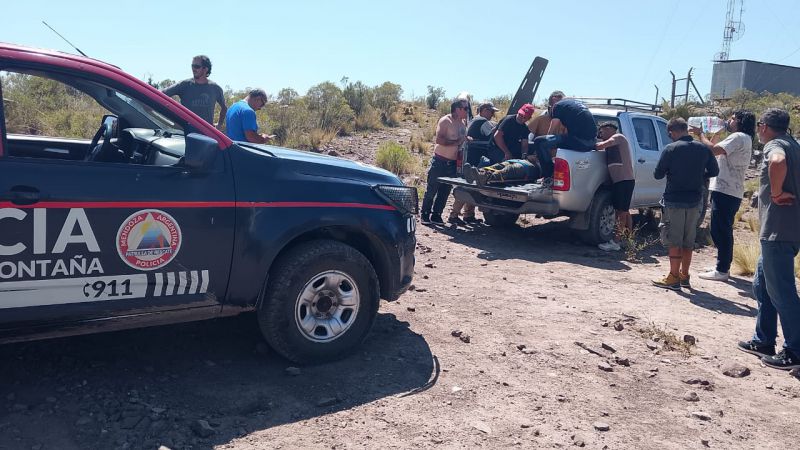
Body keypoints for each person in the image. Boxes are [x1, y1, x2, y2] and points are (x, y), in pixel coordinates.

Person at [737, 108, 800, 370]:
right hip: (786, 229)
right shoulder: (794, 144)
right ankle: (763, 340)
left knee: (782, 292)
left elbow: (776, 162)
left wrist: (775, 193)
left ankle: (795, 351)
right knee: (762, 286)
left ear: (763, 126)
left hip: (778, 231)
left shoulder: (775, 145)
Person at [652, 118, 719, 290]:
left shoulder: (671, 149)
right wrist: (699, 174)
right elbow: (714, 171)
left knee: (674, 239)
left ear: (672, 131)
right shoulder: (703, 148)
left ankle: (673, 277)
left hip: (674, 199)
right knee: (688, 240)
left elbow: (658, 174)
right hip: (695, 200)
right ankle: (684, 275)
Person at [690, 110, 755, 281]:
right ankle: (722, 265)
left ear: (740, 121)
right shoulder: (743, 138)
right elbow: (714, 148)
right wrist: (716, 134)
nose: (729, 120)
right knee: (719, 228)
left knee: (721, 230)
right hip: (729, 190)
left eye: (733, 118)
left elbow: (713, 150)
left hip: (726, 190)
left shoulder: (738, 137)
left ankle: (722, 269)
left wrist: (700, 133)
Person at [448, 102, 500, 225]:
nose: (492, 114)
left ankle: (469, 214)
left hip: (468, 157)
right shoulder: (482, 121)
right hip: (475, 159)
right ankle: (454, 214)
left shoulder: (472, 120)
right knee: (468, 186)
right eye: (491, 111)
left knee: (472, 186)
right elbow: (494, 134)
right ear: (484, 110)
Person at [420, 99, 469, 225]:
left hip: (452, 163)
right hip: (440, 161)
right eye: (466, 108)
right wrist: (457, 142)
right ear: (458, 109)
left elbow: (461, 142)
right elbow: (439, 140)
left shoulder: (463, 124)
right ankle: (425, 213)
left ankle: (437, 215)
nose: (467, 111)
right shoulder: (445, 121)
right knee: (432, 188)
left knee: (445, 191)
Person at [531, 98, 598, 183]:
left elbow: (553, 126)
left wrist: (547, 141)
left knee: (540, 142)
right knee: (561, 141)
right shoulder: (573, 106)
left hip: (580, 141)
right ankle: (553, 172)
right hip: (591, 142)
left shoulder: (557, 107)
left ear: (551, 107)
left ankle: (548, 175)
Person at [595, 122, 635, 252]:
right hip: (620, 182)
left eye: (601, 132)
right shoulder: (613, 144)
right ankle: (628, 239)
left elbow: (601, 145)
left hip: (624, 181)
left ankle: (616, 242)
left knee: (620, 213)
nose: (601, 135)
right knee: (625, 211)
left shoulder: (618, 138)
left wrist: (590, 144)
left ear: (608, 129)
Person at [163, 55, 227, 129]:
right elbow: (160, 95)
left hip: (206, 134)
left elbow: (224, 108)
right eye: (192, 66)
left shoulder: (215, 88)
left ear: (205, 69)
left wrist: (219, 124)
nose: (193, 69)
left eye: (196, 66)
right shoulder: (184, 85)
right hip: (186, 131)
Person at [463, 154, 541, 186]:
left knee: (508, 170)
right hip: (518, 161)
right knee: (497, 166)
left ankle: (485, 177)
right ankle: (476, 173)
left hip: (527, 167)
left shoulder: (543, 163)